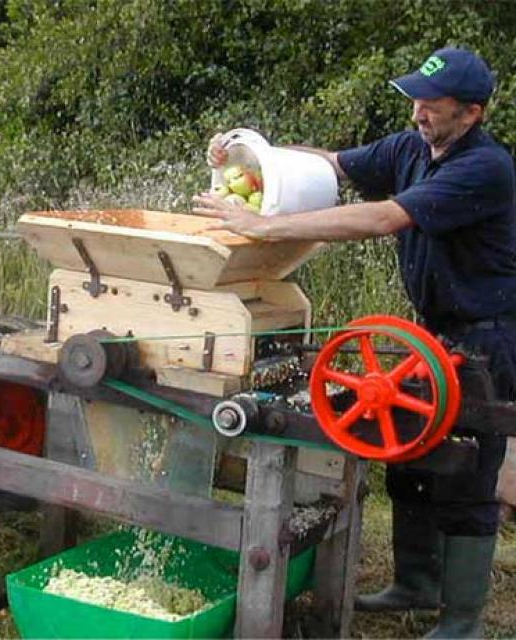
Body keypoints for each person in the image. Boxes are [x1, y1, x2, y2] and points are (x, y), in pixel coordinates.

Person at [194, 46, 515, 639]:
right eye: (416, 99)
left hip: (490, 336)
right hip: (434, 334)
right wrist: (256, 159)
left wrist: (264, 228)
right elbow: (333, 165)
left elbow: (383, 219)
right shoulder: (410, 147)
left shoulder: (485, 167)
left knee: (469, 473)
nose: (419, 112)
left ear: (470, 113)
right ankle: (414, 583)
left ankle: (464, 621)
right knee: (409, 455)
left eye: (433, 104)